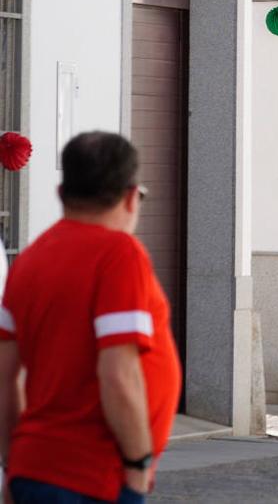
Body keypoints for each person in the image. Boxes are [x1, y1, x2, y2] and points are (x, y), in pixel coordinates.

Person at [0, 132, 179, 504]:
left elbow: (4, 379)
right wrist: (138, 462)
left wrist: (13, 463)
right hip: (95, 476)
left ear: (62, 194)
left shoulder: (28, 261)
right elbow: (118, 374)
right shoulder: (119, 254)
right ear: (131, 197)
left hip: (33, 468)